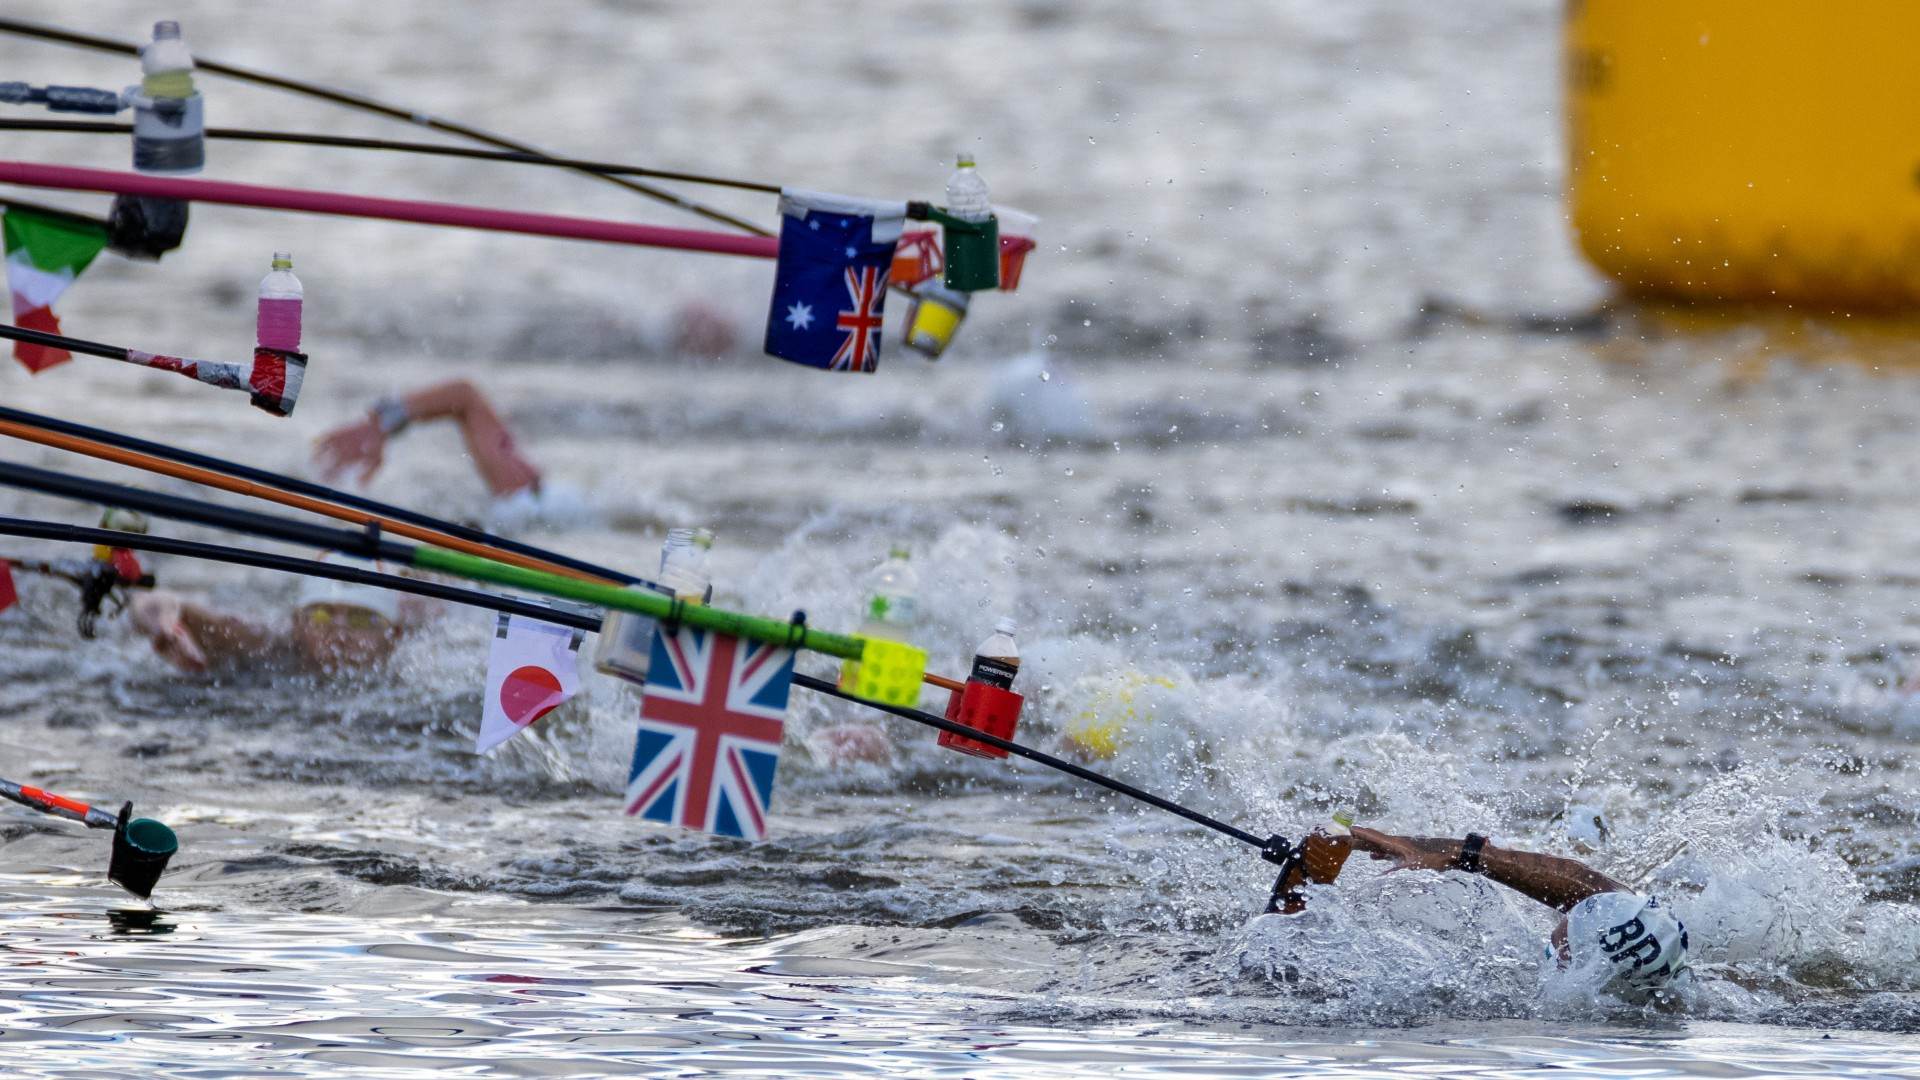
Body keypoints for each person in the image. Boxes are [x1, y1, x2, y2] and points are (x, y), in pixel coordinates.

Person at [128, 380, 544, 673]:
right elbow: (157, 603)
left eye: (362, 622)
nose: (341, 636)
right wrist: (165, 619)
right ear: (299, 623)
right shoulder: (278, 645)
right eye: (324, 618)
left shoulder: (422, 629)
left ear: (394, 636)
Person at [1311, 826, 1690, 995]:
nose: (1564, 914)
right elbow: (1595, 889)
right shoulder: (1662, 968)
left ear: (1570, 956)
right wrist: (1441, 850)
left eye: (1571, 920)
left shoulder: (1550, 1016)